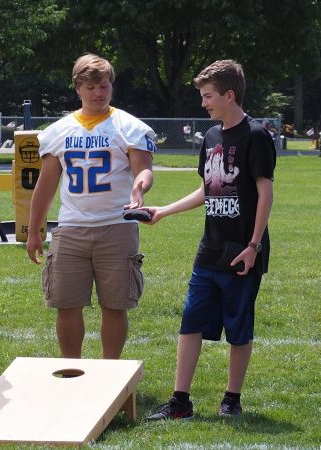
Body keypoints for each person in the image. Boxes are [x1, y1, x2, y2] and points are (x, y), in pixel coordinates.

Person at [144, 59, 276, 420]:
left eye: (208, 96)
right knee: (191, 322)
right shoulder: (212, 138)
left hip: (242, 251)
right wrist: (164, 211)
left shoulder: (256, 135)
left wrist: (253, 246)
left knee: (238, 328)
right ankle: (180, 402)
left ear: (229, 95)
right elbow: (207, 188)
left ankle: (232, 398)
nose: (204, 103)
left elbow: (265, 193)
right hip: (210, 250)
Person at [26, 53, 156, 360]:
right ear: (78, 88)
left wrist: (141, 186)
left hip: (117, 225)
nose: (98, 93)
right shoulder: (58, 131)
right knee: (66, 303)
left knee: (115, 304)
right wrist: (34, 230)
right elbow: (45, 185)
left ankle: (110, 375)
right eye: (91, 87)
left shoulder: (130, 126)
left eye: (104, 86)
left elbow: (144, 169)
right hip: (71, 227)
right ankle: (73, 369)